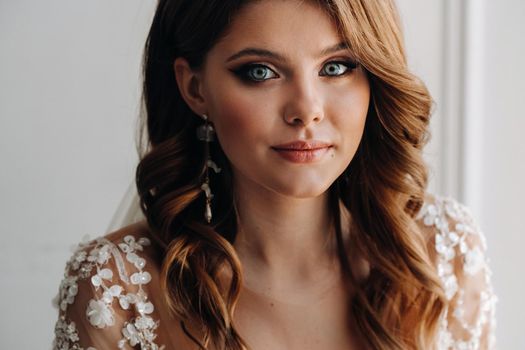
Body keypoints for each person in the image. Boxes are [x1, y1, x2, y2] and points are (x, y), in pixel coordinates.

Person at [52, 0, 497, 349]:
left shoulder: (442, 256)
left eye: (336, 67)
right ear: (195, 88)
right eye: (260, 72)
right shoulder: (117, 291)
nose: (307, 110)